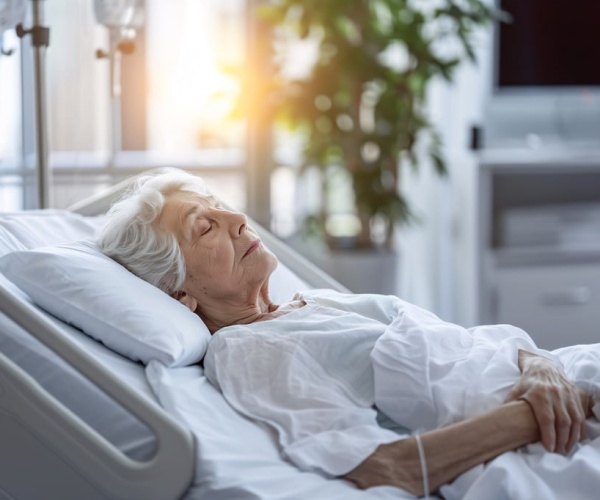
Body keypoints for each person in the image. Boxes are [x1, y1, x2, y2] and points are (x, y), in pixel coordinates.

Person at [98, 169, 593, 497]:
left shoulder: (310, 303)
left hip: (557, 382)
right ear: (178, 293)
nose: (237, 218)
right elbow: (389, 467)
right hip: (543, 442)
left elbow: (464, 343)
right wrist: (537, 414)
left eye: (220, 206)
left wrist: (544, 367)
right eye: (205, 228)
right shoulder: (249, 350)